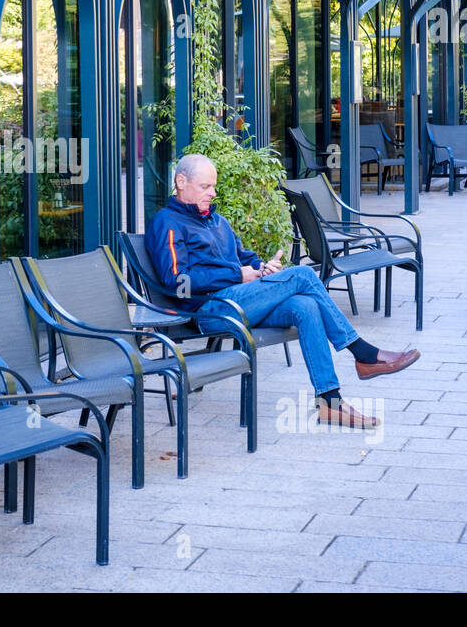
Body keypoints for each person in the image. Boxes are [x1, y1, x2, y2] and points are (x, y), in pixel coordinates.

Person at [145, 153, 419, 429]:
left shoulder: (217, 222)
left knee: (305, 307)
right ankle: (363, 353)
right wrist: (236, 274)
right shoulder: (168, 222)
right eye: (205, 187)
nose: (212, 193)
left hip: (240, 301)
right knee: (301, 274)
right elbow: (176, 282)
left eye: (213, 186)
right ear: (181, 182)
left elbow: (245, 257)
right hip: (209, 311)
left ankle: (330, 401)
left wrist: (262, 268)